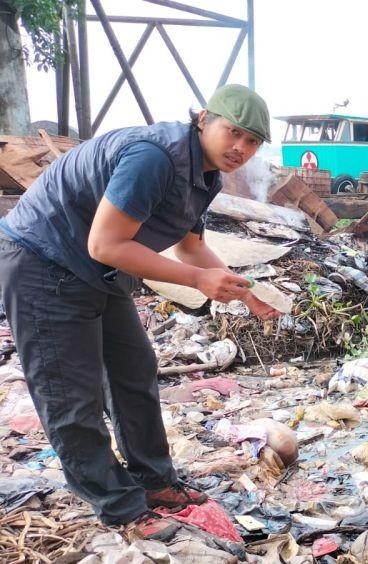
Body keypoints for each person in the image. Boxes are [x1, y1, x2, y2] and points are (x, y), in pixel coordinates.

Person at [0, 84, 280, 539]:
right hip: (42, 261)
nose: (240, 149)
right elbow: (105, 243)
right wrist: (197, 282)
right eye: (233, 133)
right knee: (72, 395)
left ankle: (154, 482)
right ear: (204, 119)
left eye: (252, 141)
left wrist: (243, 291)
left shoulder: (204, 173)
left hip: (96, 271)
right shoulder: (154, 157)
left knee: (134, 369)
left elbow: (191, 248)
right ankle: (120, 508)